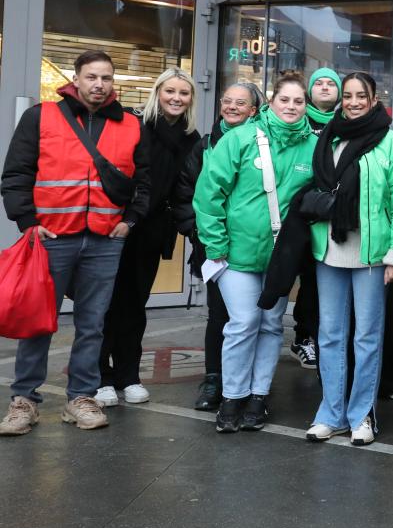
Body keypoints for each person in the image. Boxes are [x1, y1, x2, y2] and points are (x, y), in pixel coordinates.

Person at [0, 51, 150, 435]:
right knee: (38, 322)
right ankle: (24, 401)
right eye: (92, 77)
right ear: (77, 79)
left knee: (93, 323)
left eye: (106, 78)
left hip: (104, 239)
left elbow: (145, 181)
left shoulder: (132, 124)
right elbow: (16, 172)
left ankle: (80, 398)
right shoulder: (41, 116)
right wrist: (28, 222)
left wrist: (130, 221)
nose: (99, 84)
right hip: (52, 237)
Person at [194, 73, 317, 434]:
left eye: (298, 101)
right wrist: (215, 246)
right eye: (285, 100)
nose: (291, 107)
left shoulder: (313, 146)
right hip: (236, 254)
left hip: (281, 258)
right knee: (244, 322)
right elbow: (208, 194)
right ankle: (232, 397)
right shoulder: (241, 138)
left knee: (270, 325)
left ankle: (258, 397)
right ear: (271, 102)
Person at [304, 73, 393, 446]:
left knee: (367, 337)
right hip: (329, 248)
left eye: (360, 95)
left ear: (374, 98)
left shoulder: (391, 142)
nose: (353, 102)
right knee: (329, 335)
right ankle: (331, 413)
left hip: (372, 254)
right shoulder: (327, 136)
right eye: (347, 96)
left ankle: (361, 413)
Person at [96, 69, 201, 407]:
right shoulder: (132, 122)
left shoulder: (191, 137)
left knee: (134, 305)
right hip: (118, 225)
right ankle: (100, 377)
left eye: (183, 93)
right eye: (170, 90)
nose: (176, 98)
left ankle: (129, 376)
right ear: (158, 91)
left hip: (153, 231)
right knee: (105, 304)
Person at [173, 82, 262, 412]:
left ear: (254, 110)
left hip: (253, 247)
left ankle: (251, 385)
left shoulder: (263, 143)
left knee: (254, 319)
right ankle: (214, 379)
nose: (233, 107)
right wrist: (197, 231)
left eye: (241, 103)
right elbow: (185, 193)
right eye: (228, 101)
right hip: (214, 248)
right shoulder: (206, 144)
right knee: (219, 316)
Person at [289, 67, 341, 370]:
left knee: (317, 281)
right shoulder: (297, 118)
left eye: (330, 83)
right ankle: (302, 337)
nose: (324, 87)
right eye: (318, 83)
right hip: (296, 210)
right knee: (295, 277)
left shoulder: (343, 123)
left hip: (327, 215)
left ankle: (314, 336)